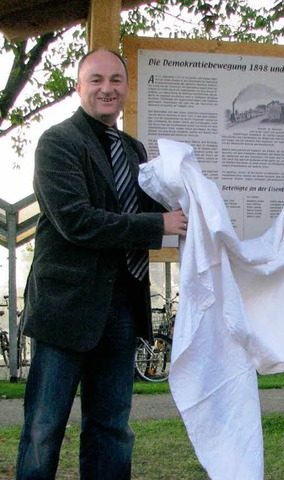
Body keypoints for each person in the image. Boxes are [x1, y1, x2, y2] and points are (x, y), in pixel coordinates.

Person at [15, 48, 188, 479]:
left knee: (112, 428)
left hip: (123, 307)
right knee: (43, 429)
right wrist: (159, 224)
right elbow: (78, 221)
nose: (107, 88)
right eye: (96, 80)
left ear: (127, 88)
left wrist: (195, 198)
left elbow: (151, 203)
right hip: (66, 308)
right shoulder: (57, 142)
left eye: (116, 80)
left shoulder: (134, 149)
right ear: (79, 87)